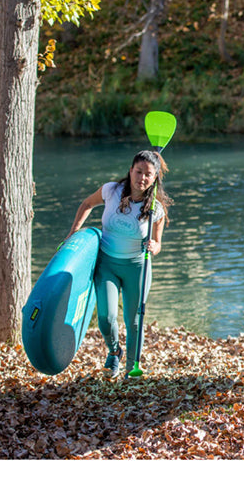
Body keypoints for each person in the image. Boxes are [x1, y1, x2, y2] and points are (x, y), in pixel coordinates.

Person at [66, 150, 171, 379]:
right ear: (131, 171)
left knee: (134, 321)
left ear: (154, 179)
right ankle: (114, 351)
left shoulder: (155, 208)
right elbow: (86, 204)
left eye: (148, 174)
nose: (142, 178)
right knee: (106, 316)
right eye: (138, 171)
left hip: (137, 268)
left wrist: (155, 246)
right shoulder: (111, 191)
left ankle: (132, 367)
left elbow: (158, 240)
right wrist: (73, 233)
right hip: (107, 264)